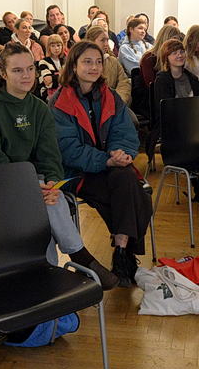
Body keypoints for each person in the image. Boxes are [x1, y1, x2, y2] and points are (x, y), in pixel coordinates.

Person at [0, 42, 119, 289]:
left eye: (30, 69)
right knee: (44, 201)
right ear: (3, 73)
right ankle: (79, 256)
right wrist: (30, 187)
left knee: (50, 198)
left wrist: (52, 183)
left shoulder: (38, 107)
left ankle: (47, 274)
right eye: (17, 70)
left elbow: (50, 155)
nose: (26, 75)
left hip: (31, 180)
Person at [50, 41, 153, 287]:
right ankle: (125, 255)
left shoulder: (109, 95)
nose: (94, 67)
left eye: (98, 62)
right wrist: (106, 159)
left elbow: (125, 132)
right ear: (73, 66)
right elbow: (68, 150)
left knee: (126, 180)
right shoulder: (59, 102)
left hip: (111, 166)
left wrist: (121, 153)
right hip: (76, 172)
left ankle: (121, 248)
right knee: (131, 192)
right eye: (87, 62)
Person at [152, 39, 199, 159]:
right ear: (166, 57)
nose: (179, 55)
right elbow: (166, 112)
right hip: (174, 127)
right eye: (174, 53)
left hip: (196, 125)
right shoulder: (162, 80)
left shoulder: (191, 78)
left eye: (181, 51)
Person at [85, 25, 132, 107]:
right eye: (102, 40)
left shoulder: (113, 61)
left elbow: (124, 83)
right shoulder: (82, 63)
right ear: (91, 41)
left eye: (107, 40)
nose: (106, 44)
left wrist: (116, 101)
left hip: (115, 104)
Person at [37, 34, 65, 101]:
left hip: (63, 93)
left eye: (58, 45)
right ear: (48, 47)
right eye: (53, 46)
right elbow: (48, 83)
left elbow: (71, 79)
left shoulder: (65, 61)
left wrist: (53, 77)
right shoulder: (43, 62)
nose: (56, 48)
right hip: (48, 95)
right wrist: (63, 77)